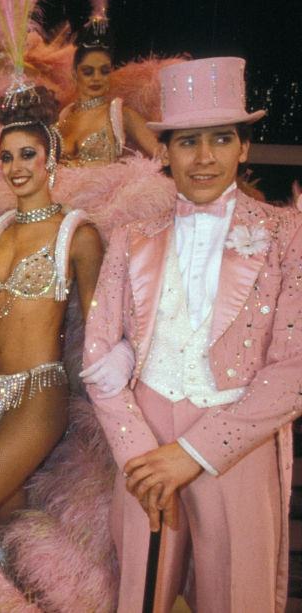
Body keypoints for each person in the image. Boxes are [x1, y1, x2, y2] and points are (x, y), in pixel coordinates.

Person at [83, 56, 302, 612]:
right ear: (166, 151)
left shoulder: (285, 234)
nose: (204, 158)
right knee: (141, 594)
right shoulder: (131, 238)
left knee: (238, 595)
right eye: (187, 142)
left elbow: (293, 370)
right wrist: (139, 455)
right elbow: (99, 357)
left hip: (235, 444)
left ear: (243, 147)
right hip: (143, 444)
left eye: (221, 139)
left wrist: (193, 453)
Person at [0, 84, 104, 610]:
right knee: (8, 525)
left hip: (38, 394)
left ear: (51, 156)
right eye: (6, 157)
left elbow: (97, 327)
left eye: (27, 154)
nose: (16, 166)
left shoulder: (78, 233)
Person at [58, 24, 157, 167]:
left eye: (104, 71)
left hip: (105, 188)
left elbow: (162, 154)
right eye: (88, 72)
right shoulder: (64, 116)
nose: (96, 78)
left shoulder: (120, 114)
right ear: (75, 75)